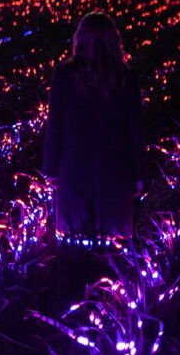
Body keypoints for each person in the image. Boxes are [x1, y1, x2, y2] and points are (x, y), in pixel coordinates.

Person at [41, 12, 145, 249]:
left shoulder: (63, 75)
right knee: (112, 244)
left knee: (75, 241)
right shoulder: (126, 77)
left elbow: (55, 126)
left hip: (73, 167)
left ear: (79, 39)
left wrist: (51, 170)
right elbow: (135, 131)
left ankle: (77, 279)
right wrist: (138, 175)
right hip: (115, 170)